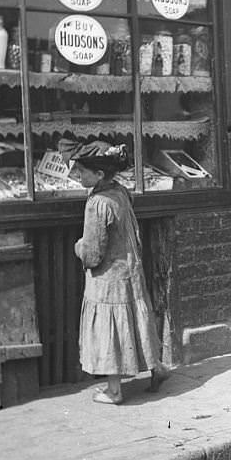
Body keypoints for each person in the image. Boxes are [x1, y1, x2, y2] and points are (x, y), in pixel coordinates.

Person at [70, 141, 169, 404]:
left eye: (81, 170)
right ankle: (157, 367)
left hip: (109, 279)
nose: (76, 174)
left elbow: (93, 254)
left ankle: (114, 391)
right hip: (131, 271)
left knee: (110, 329)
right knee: (136, 321)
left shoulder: (97, 203)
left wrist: (78, 247)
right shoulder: (120, 192)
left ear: (99, 174)